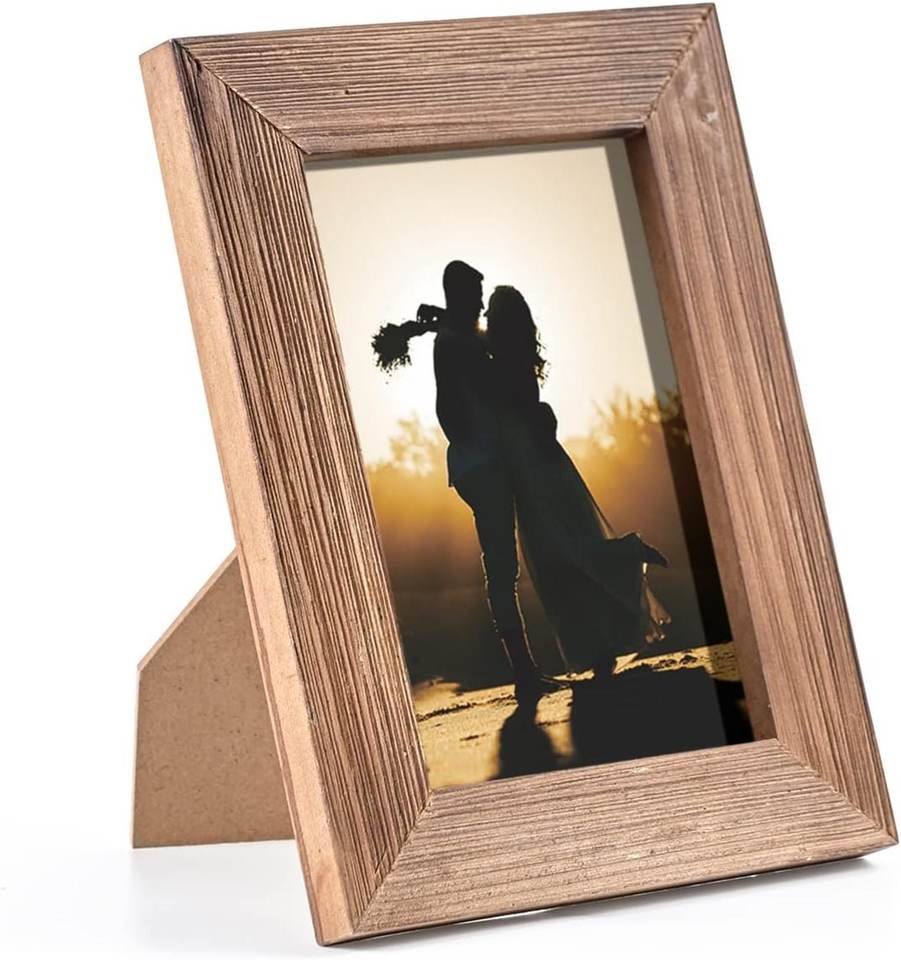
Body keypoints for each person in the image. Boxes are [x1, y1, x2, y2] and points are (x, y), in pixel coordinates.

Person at [372, 261, 560, 704]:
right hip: (482, 465)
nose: (480, 302)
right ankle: (524, 673)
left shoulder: (455, 335)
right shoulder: (456, 344)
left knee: (505, 566)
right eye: (475, 293)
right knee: (502, 568)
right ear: (459, 294)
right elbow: (467, 397)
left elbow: (477, 337)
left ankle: (527, 670)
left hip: (481, 463)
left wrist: (437, 319)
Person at [484, 285, 670, 680]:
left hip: (537, 470)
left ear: (497, 321)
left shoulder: (501, 363)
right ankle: (598, 651)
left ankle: (629, 553)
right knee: (561, 558)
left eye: (488, 313)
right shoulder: (512, 356)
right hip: (543, 466)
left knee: (560, 557)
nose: (482, 317)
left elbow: (518, 415)